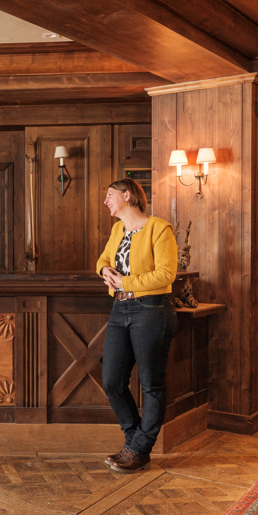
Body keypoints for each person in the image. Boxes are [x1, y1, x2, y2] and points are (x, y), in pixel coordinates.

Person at [96, 178, 178, 473]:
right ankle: (135, 443)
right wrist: (105, 270)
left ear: (127, 195)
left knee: (151, 383)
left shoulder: (159, 228)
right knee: (111, 380)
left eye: (110, 194)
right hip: (120, 309)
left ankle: (139, 449)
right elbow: (103, 259)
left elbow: (167, 274)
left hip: (151, 310)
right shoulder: (117, 229)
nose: (105, 200)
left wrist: (126, 282)